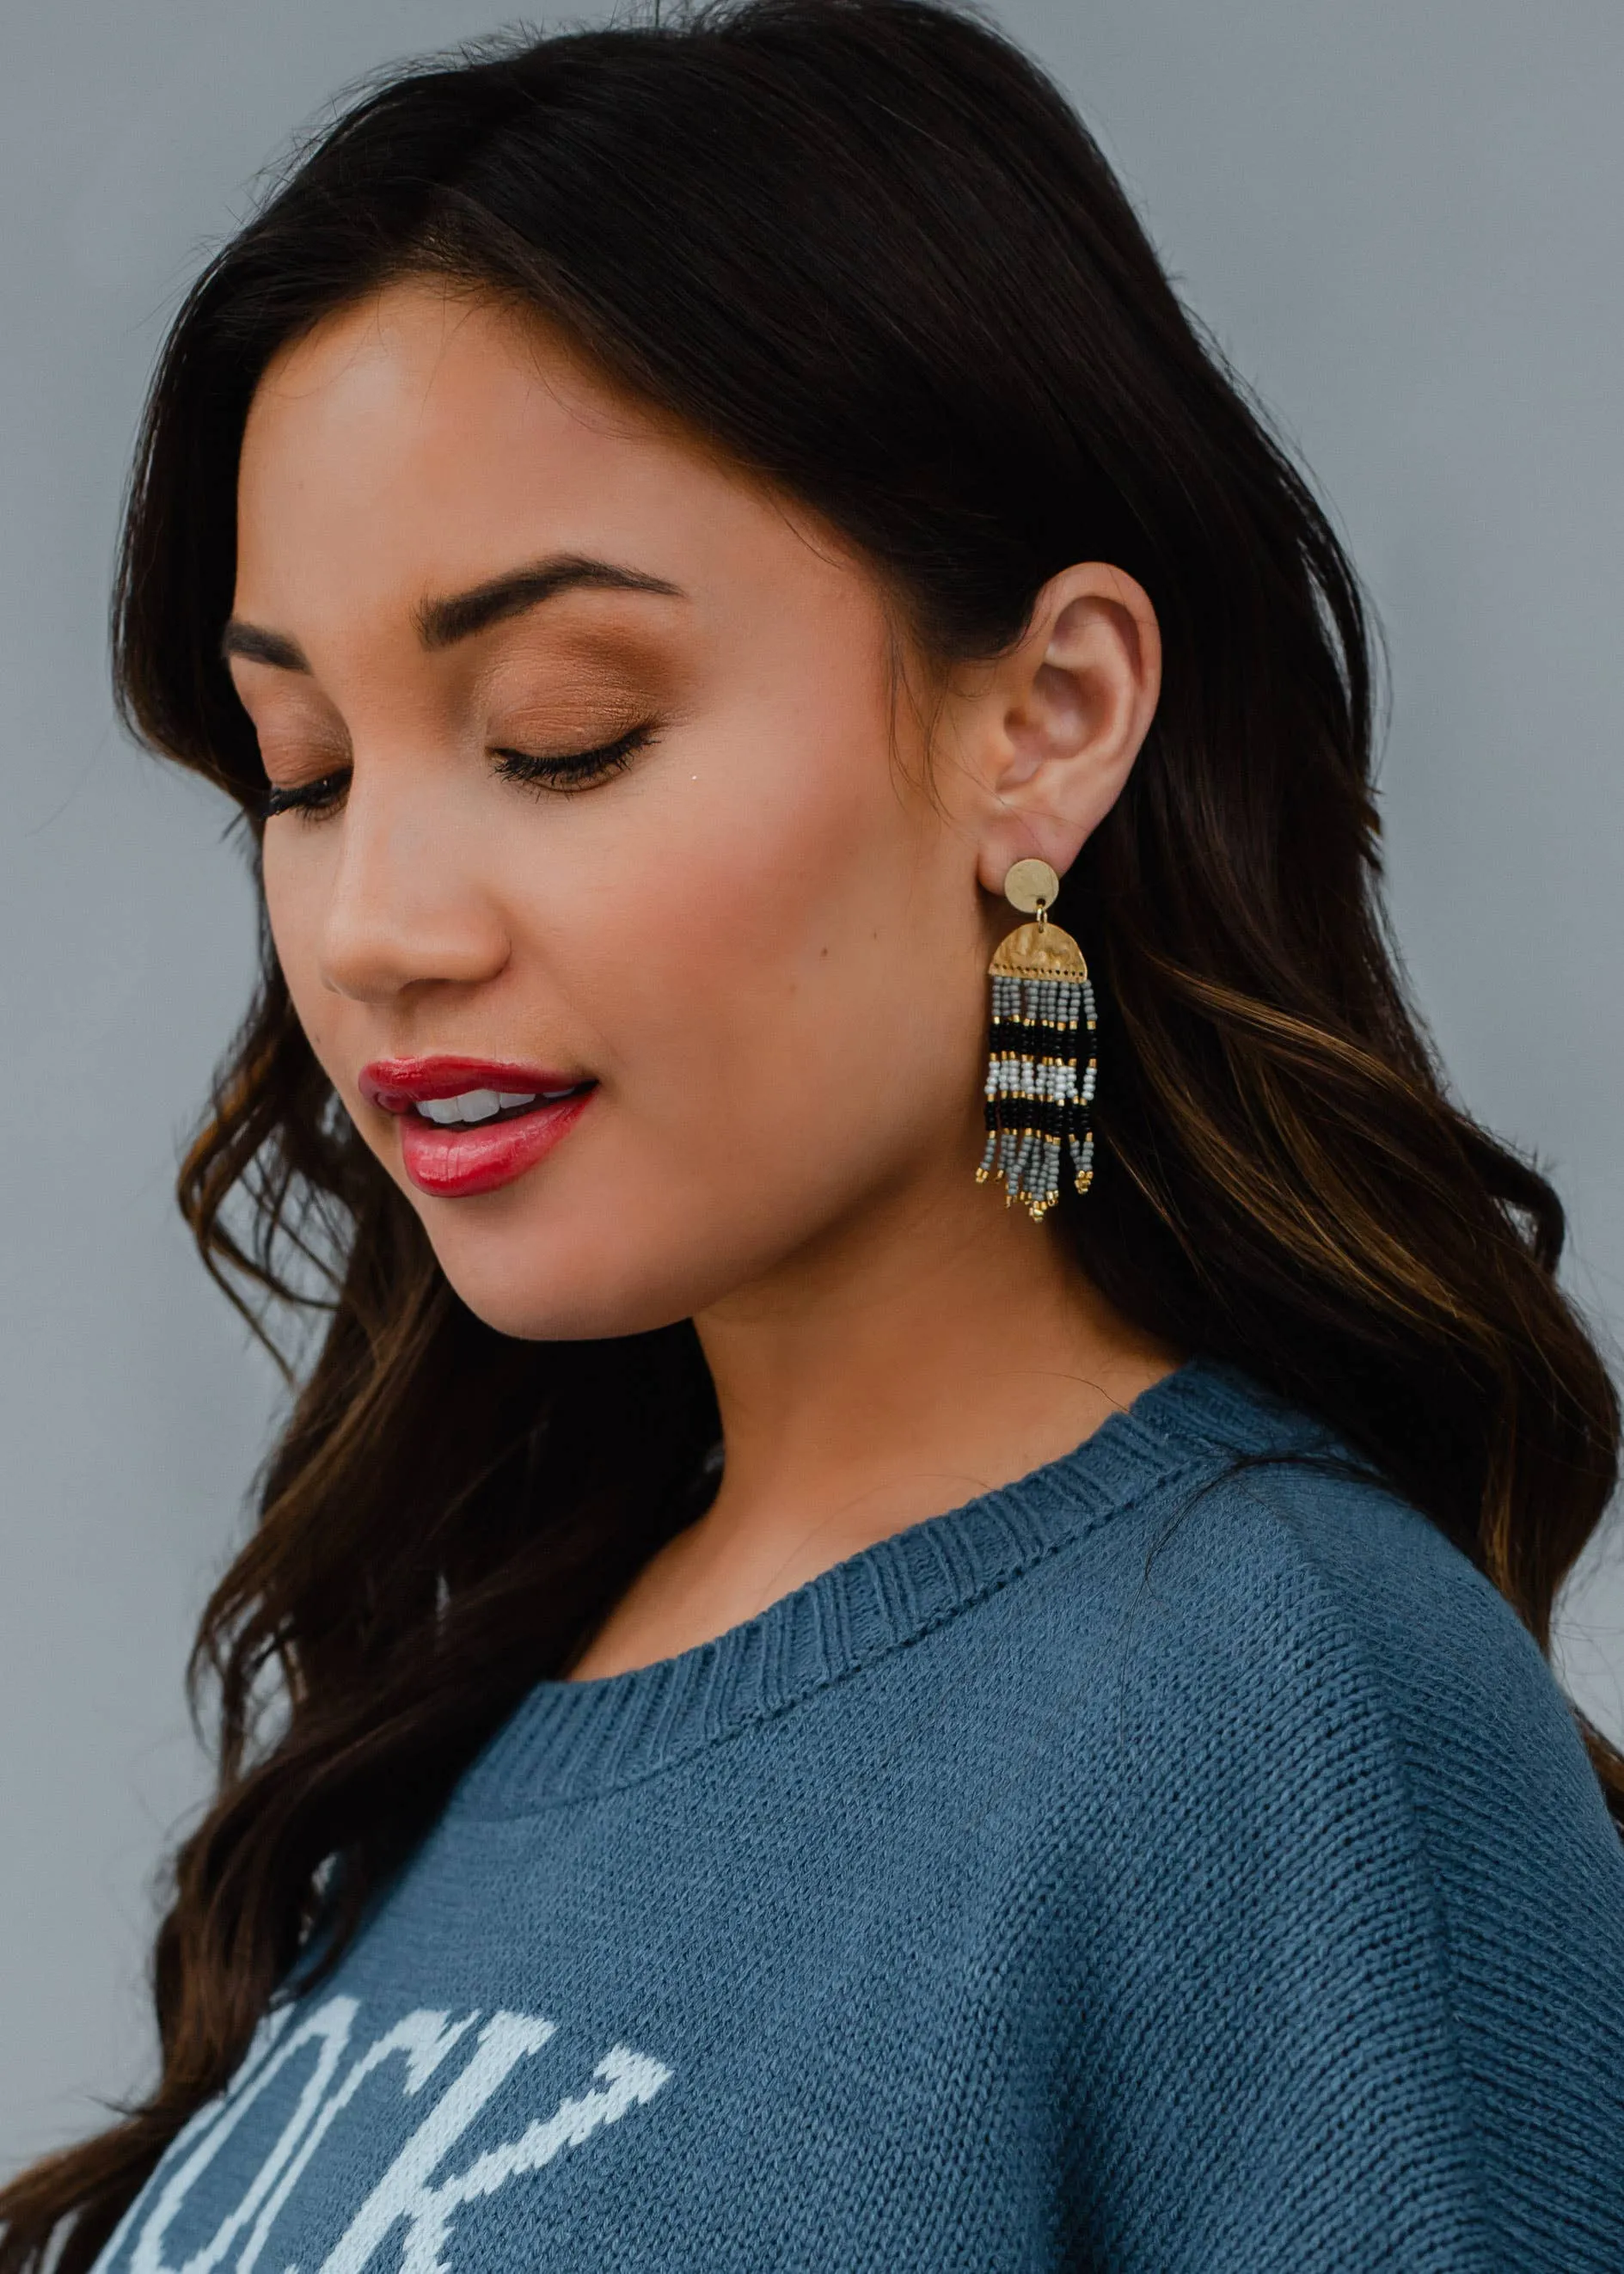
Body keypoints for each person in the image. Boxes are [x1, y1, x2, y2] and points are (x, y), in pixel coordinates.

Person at [4, 1, 1621, 2266]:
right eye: (304, 768)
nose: (370, 926)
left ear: (1045, 723)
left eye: (562, 733)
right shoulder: (487, 1703)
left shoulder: (1283, 1694)